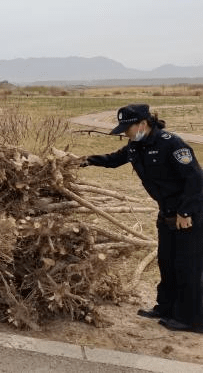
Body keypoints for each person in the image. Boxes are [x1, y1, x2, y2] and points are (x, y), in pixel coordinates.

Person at [82, 103, 203, 333]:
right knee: (166, 262)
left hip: (189, 214)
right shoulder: (135, 146)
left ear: (143, 124)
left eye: (128, 128)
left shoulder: (172, 144)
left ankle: (191, 319)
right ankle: (166, 308)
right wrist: (84, 160)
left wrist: (186, 212)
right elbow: (113, 159)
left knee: (188, 266)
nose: (125, 133)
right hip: (166, 213)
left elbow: (195, 180)